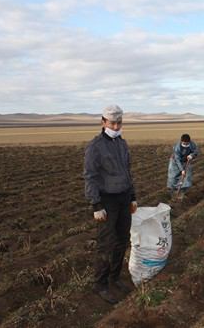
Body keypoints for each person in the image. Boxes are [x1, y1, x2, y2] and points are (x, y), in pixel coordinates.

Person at [84, 104, 137, 304]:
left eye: (119, 123)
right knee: (106, 244)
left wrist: (133, 197)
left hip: (124, 198)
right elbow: (90, 176)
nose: (116, 127)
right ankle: (100, 284)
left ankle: (114, 278)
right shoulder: (95, 146)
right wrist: (96, 205)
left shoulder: (122, 144)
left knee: (122, 241)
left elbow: (128, 173)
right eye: (112, 123)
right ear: (103, 122)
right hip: (107, 201)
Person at [167, 133, 199, 198]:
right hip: (175, 162)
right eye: (184, 143)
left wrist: (191, 155)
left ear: (189, 141)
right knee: (173, 176)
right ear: (181, 141)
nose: (186, 144)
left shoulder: (192, 144)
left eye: (187, 143)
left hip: (186, 161)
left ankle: (182, 192)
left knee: (188, 176)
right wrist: (182, 170)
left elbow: (196, 151)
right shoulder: (177, 147)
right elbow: (177, 160)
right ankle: (172, 192)